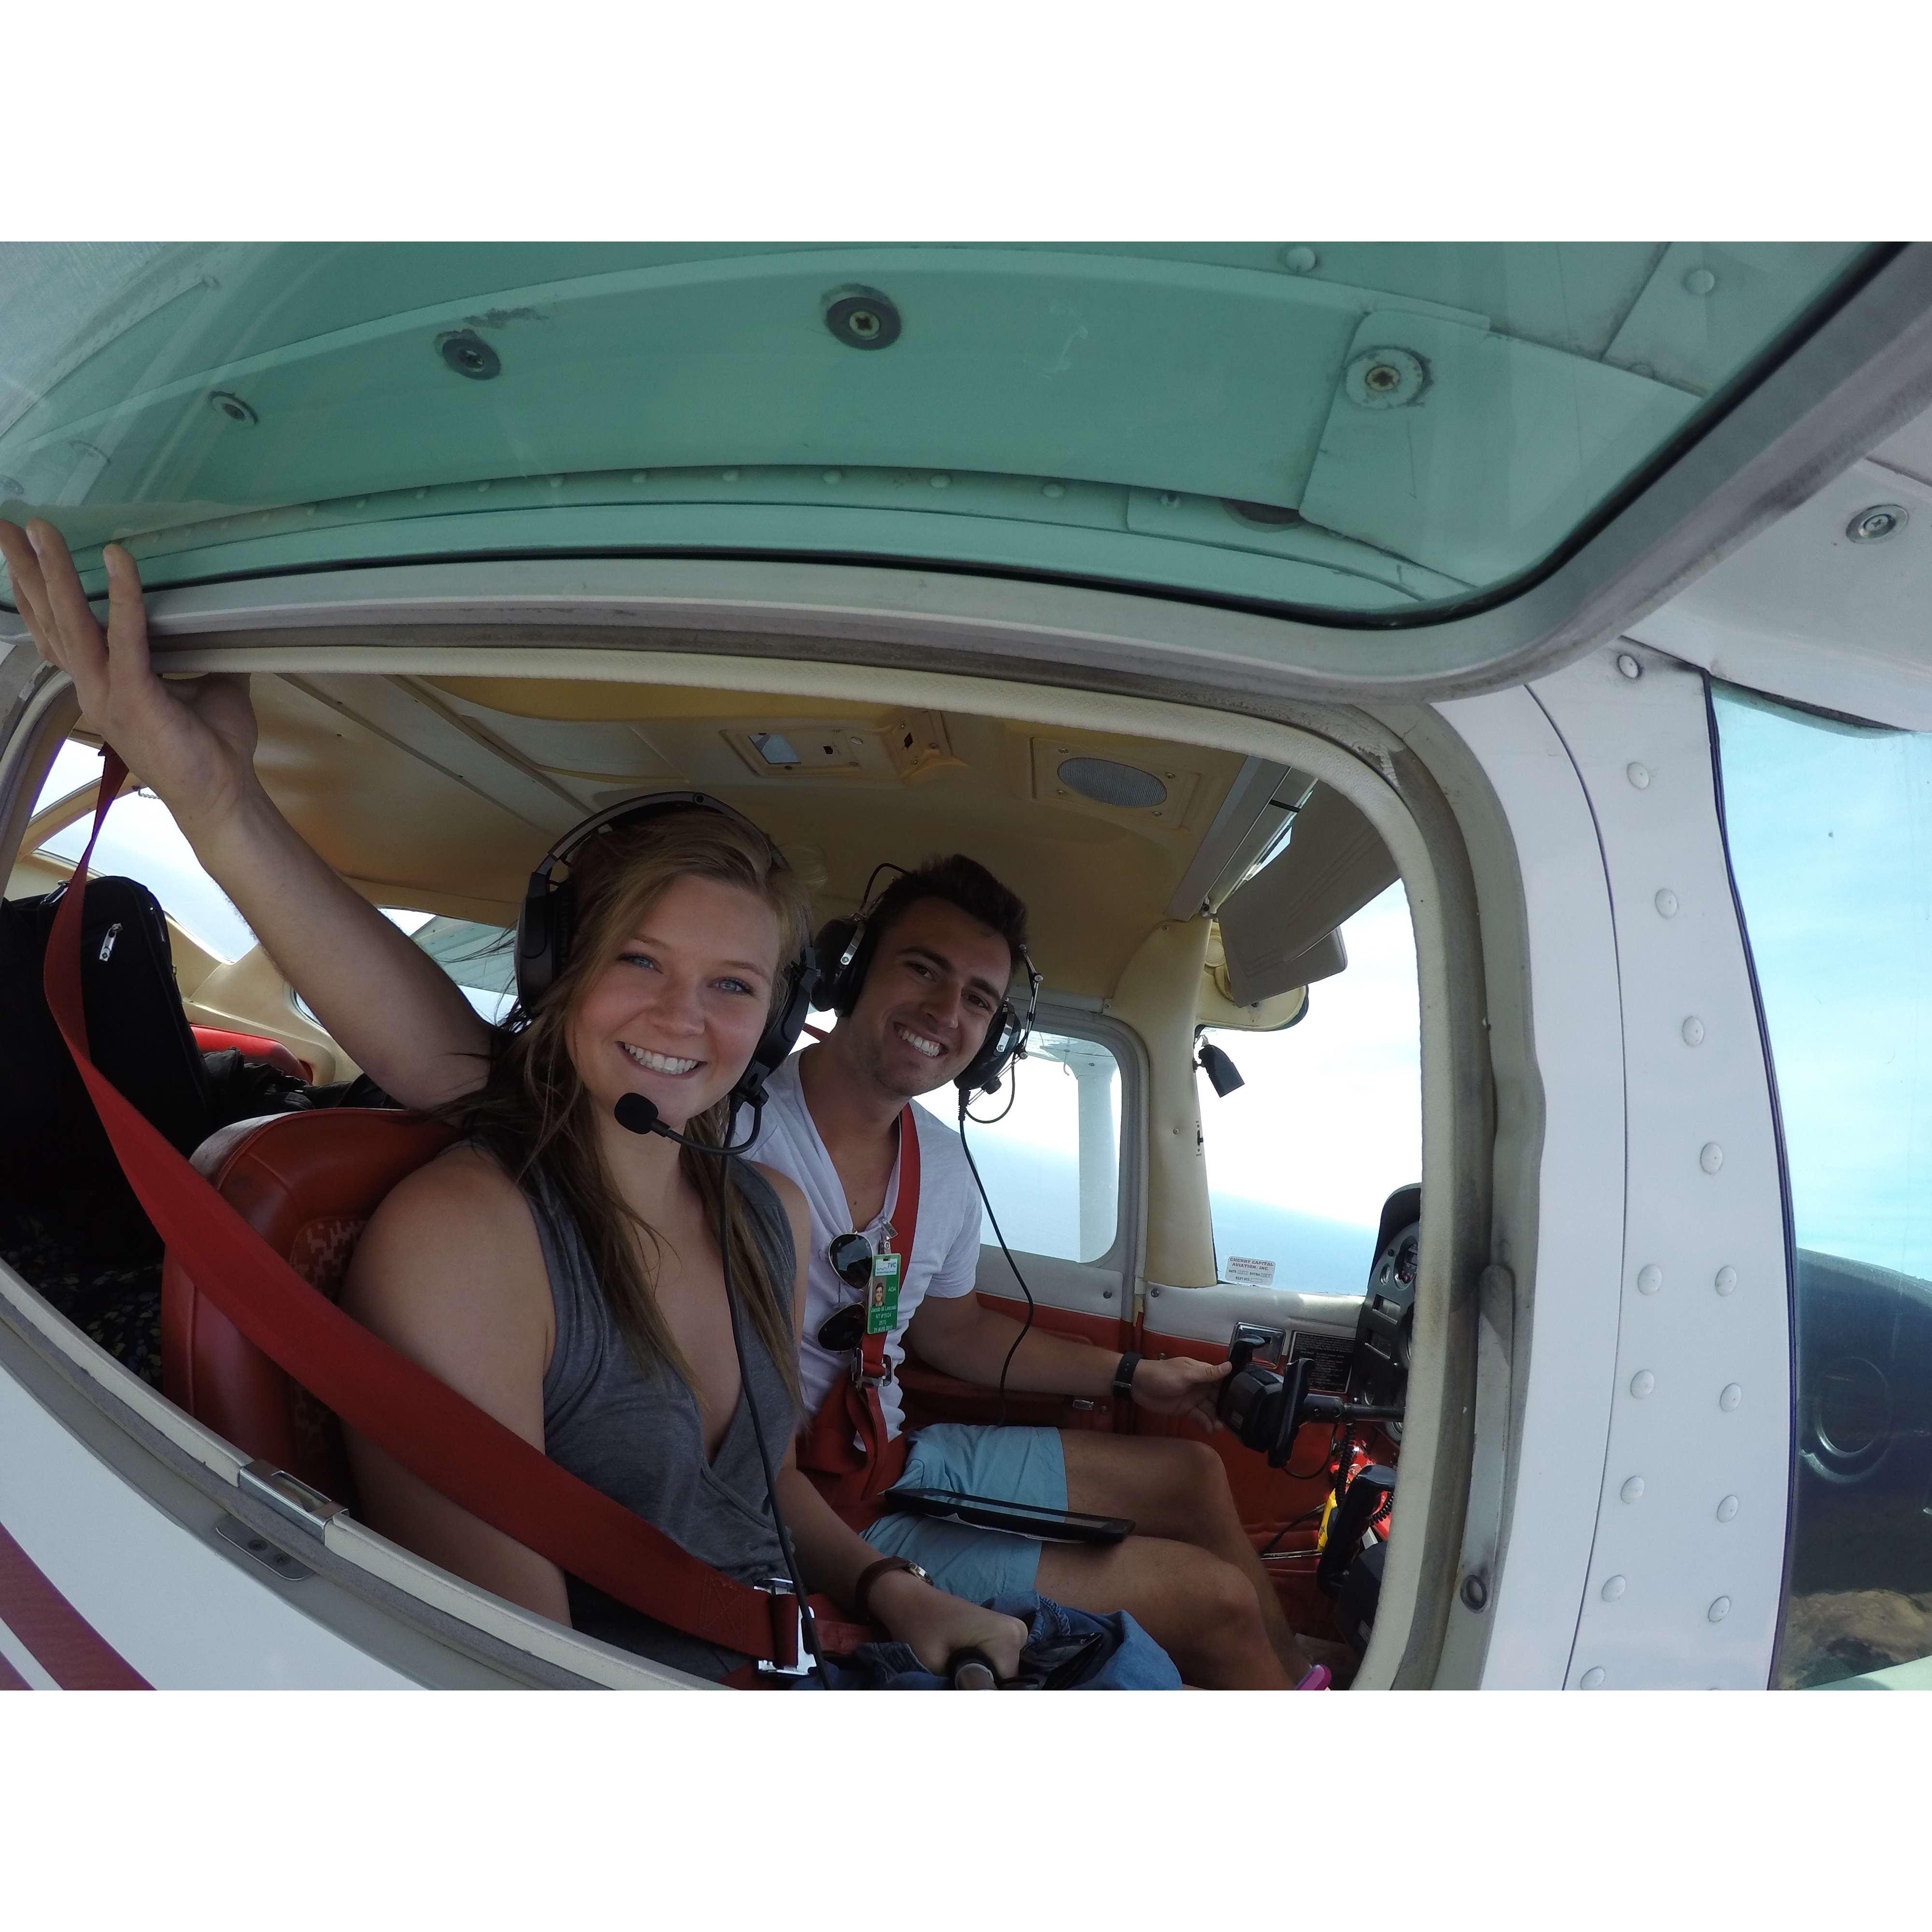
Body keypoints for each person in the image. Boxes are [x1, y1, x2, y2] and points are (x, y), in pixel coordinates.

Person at [4, 517, 1325, 1688]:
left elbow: (763, 1484)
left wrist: (891, 1592)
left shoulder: (761, 1215)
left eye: (733, 985)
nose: (684, 1020)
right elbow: (519, 1674)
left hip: (826, 1625)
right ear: (562, 976)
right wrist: (211, 791)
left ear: (773, 1016)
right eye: (639, 961)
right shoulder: (478, 1239)